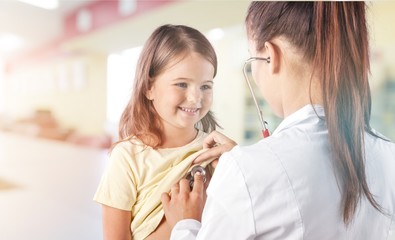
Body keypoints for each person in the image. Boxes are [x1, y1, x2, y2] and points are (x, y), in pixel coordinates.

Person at [161, 2, 395, 239]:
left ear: (272, 56)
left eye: (253, 59)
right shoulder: (389, 156)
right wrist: (250, 165)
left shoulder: (246, 172)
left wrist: (185, 224)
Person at [93, 24, 220, 240]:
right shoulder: (127, 157)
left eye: (205, 86)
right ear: (148, 88)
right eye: (181, 84)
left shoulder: (214, 152)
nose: (195, 98)